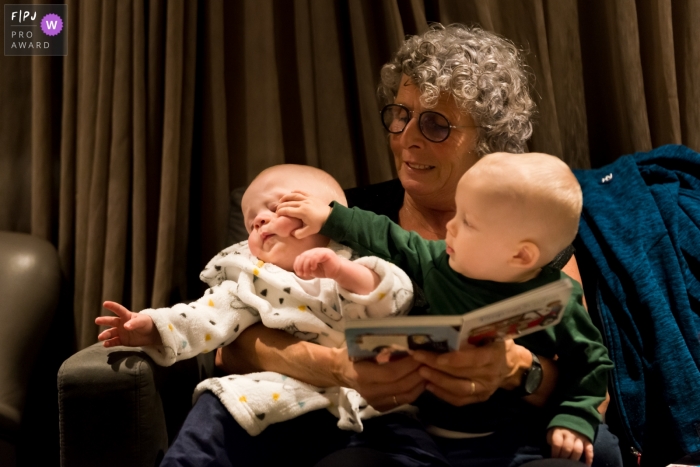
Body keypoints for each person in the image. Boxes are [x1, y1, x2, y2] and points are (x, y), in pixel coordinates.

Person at [174, 23, 622, 467]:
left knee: (596, 453)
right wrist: (338, 367)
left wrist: (518, 370)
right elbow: (231, 343)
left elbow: (591, 382)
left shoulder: (528, 235)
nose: (407, 137)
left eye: (435, 124)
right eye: (401, 114)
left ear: (487, 138)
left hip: (502, 434)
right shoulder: (346, 217)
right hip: (377, 430)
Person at [279, 151, 613, 465]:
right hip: (421, 435)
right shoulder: (437, 260)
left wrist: (574, 418)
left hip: (516, 442)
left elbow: (592, 363)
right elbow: (385, 235)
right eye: (456, 212)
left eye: (468, 222)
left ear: (521, 255)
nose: (450, 226)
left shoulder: (557, 298)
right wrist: (330, 216)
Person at [95, 164, 414, 435]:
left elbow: (392, 298)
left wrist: (342, 272)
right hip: (278, 389)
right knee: (216, 405)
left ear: (325, 219)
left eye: (276, 209)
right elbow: (206, 315)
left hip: (362, 398)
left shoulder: (356, 262)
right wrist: (153, 326)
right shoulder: (249, 280)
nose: (260, 221)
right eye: (251, 222)